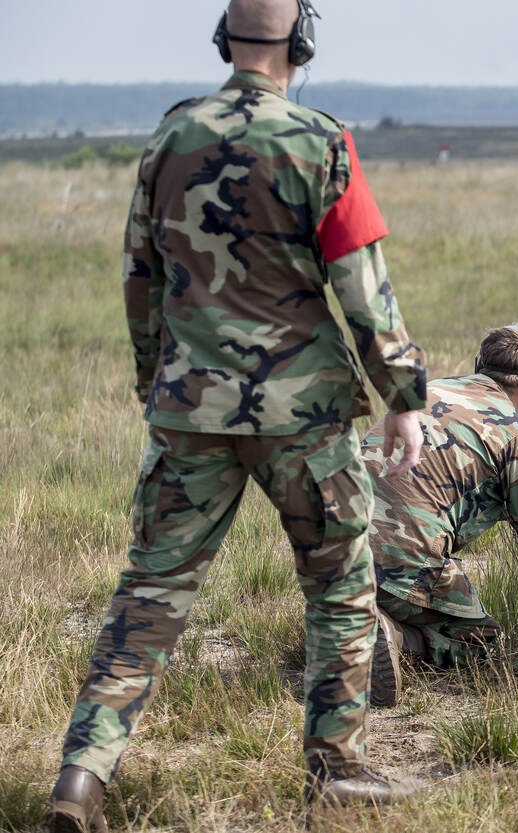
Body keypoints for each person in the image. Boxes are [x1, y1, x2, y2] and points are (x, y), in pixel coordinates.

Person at [48, 1, 426, 827]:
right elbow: (363, 289)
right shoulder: (322, 142)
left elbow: (140, 274)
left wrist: (157, 380)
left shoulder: (170, 138)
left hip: (189, 409)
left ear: (225, 41)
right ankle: (337, 768)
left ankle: (81, 776)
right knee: (339, 586)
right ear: (302, 44)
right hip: (302, 416)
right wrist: (403, 395)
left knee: (150, 593)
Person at [361, 323, 518, 706]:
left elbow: (482, 482)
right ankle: (392, 636)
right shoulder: (515, 432)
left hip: (332, 549)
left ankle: (343, 615)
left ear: (480, 364)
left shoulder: (429, 392)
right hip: (400, 563)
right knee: (480, 643)